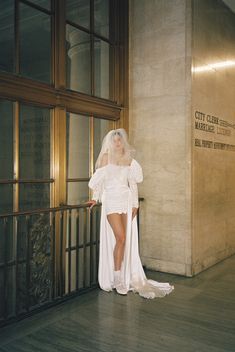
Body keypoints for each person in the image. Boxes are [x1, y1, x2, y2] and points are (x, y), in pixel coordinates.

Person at [87, 128, 174, 299]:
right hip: (111, 201)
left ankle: (124, 275)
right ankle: (117, 278)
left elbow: (133, 184)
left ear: (123, 141)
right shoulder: (105, 158)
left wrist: (135, 204)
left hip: (126, 201)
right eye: (114, 140)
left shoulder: (129, 159)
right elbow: (99, 182)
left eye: (119, 140)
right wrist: (95, 198)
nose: (117, 143)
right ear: (110, 143)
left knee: (125, 239)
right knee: (121, 238)